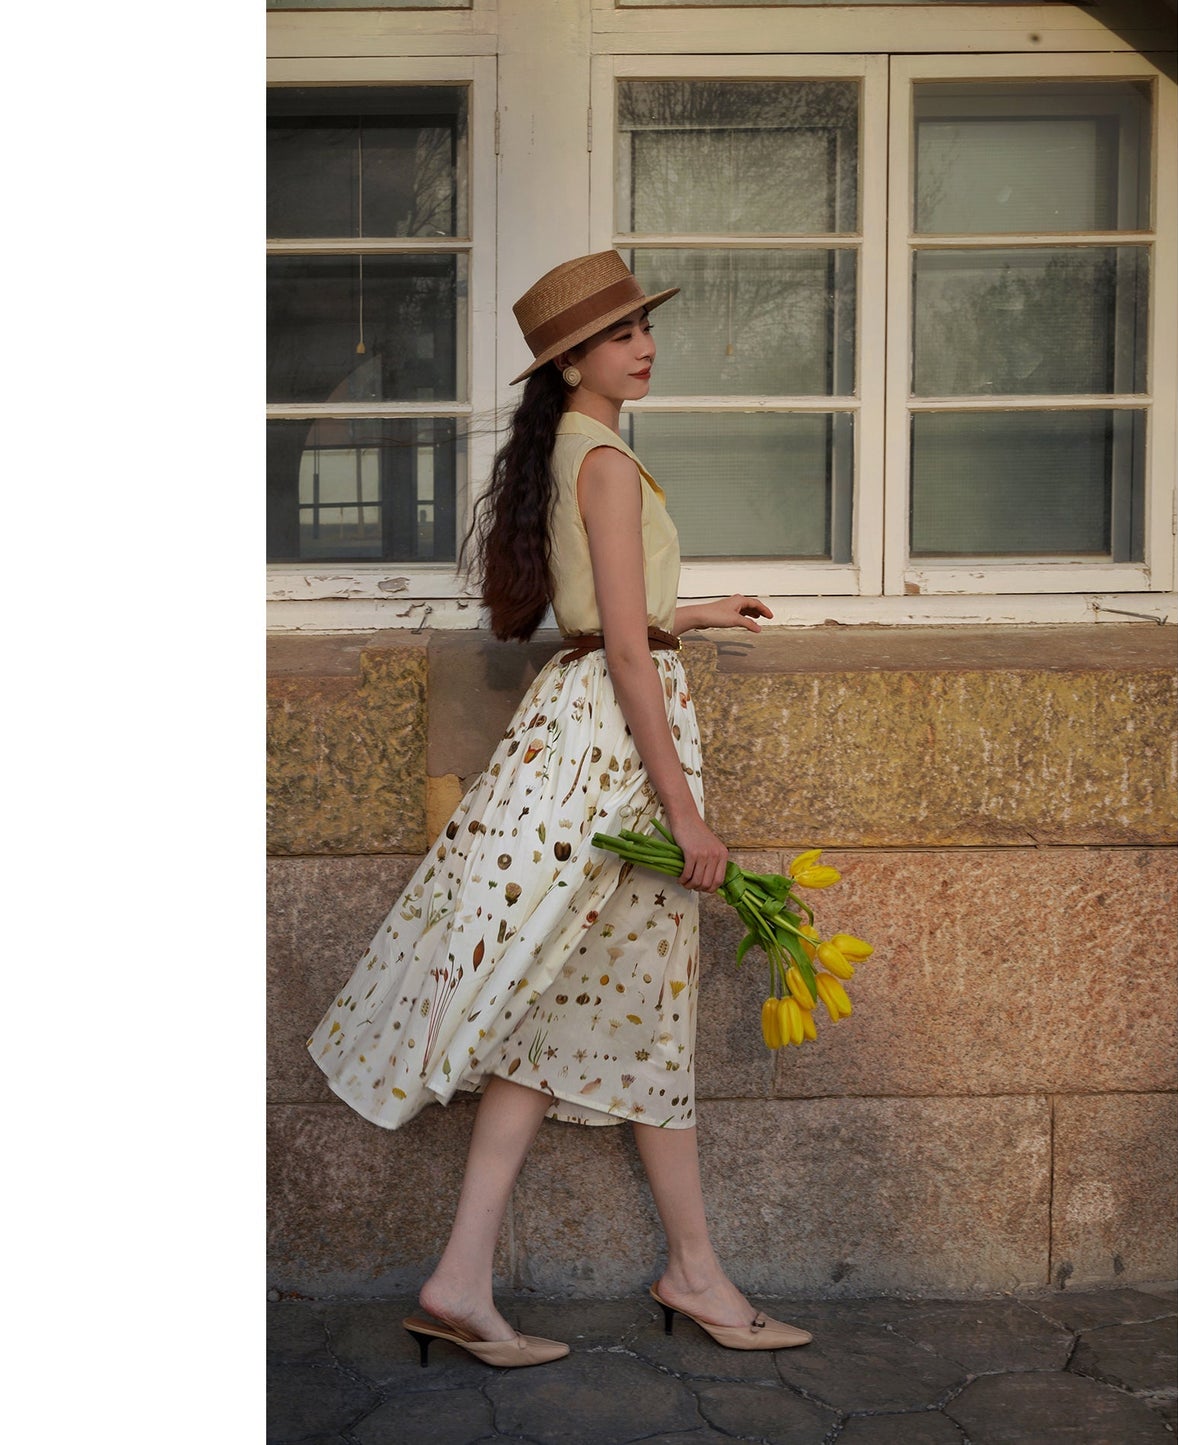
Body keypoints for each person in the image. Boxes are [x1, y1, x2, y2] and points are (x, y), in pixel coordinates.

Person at [307, 250, 812, 1369]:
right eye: (621, 331)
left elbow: (610, 617)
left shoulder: (577, 454)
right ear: (569, 360)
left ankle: (471, 1276)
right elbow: (622, 647)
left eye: (641, 325)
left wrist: (701, 609)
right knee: (639, 1009)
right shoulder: (608, 467)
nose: (644, 343)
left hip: (576, 736)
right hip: (613, 761)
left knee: (573, 1016)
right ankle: (692, 1272)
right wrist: (686, 815)